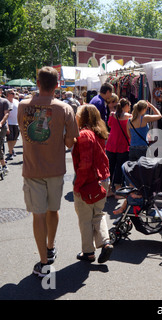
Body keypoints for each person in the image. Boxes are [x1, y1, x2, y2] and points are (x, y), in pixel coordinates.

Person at [17, 66, 80, 277]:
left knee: (38, 215)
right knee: (53, 210)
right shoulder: (65, 108)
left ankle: (44, 261)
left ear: (37, 83)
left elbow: (25, 134)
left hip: (33, 168)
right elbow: (71, 141)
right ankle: (50, 247)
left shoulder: (23, 106)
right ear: (57, 85)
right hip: (56, 168)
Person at [72, 104, 113, 263]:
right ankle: (105, 242)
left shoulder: (84, 134)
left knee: (85, 218)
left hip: (89, 181)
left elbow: (85, 164)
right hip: (103, 179)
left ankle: (88, 252)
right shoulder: (99, 133)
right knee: (98, 214)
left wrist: (78, 185)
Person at [106, 98, 132, 197]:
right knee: (120, 167)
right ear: (126, 106)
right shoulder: (129, 117)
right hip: (123, 145)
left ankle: (108, 189)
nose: (129, 108)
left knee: (110, 167)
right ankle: (118, 190)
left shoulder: (112, 114)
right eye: (129, 106)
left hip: (111, 144)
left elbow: (109, 125)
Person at [5, 89, 19, 161]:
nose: (14, 94)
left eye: (14, 93)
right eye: (12, 93)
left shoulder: (17, 101)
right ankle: (10, 153)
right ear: (8, 94)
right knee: (10, 139)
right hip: (9, 122)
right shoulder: (5, 102)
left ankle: (11, 149)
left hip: (16, 123)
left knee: (15, 138)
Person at [0, 92, 12, 174]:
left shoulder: (4, 102)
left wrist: (1, 123)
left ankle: (4, 165)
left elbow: (6, 114)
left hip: (1, 126)